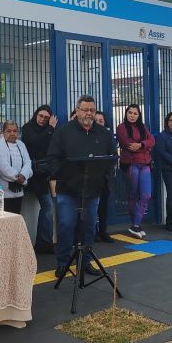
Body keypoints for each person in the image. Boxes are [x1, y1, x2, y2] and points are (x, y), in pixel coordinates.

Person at [46, 95, 117, 278]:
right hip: (68, 190)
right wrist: (66, 176)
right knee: (66, 226)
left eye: (92, 110)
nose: (88, 113)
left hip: (92, 191)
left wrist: (103, 179)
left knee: (88, 227)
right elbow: (52, 160)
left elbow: (111, 159)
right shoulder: (63, 133)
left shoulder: (104, 134)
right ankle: (63, 263)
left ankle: (85, 262)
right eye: (85, 109)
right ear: (77, 111)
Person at [21, 105, 58, 252]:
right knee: (47, 206)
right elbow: (35, 143)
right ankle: (43, 242)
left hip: (46, 174)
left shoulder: (51, 131)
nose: (42, 119)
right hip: (32, 175)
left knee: (48, 207)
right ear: (35, 115)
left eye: (46, 118)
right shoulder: (28, 128)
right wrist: (50, 129)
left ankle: (44, 242)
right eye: (40, 116)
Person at [116, 103, 155, 238]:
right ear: (126, 113)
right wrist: (144, 146)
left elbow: (152, 140)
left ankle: (136, 225)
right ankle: (135, 225)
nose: (132, 115)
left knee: (146, 195)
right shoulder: (121, 127)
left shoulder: (143, 127)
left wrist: (141, 144)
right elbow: (129, 145)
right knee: (133, 195)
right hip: (130, 164)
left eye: (135, 113)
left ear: (139, 115)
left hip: (145, 164)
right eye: (130, 113)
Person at [0, 120, 33, 215]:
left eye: (15, 131)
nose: (12, 133)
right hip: (2, 192)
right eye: (9, 131)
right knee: (2, 221)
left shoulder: (21, 144)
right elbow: (2, 167)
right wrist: (18, 177)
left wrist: (24, 175)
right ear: (3, 132)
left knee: (16, 218)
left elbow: (27, 162)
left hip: (18, 191)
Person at [94, 111, 115, 242]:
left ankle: (103, 231)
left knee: (103, 206)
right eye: (96, 121)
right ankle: (93, 232)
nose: (98, 123)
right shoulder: (87, 136)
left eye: (101, 121)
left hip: (105, 176)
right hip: (90, 177)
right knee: (92, 207)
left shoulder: (108, 136)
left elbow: (113, 155)